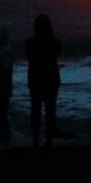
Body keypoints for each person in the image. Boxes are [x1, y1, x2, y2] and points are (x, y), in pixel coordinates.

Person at [25, 14, 61, 148]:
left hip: (35, 80)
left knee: (36, 110)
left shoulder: (30, 42)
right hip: (51, 79)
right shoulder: (55, 42)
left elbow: (29, 58)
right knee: (50, 111)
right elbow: (57, 54)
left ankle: (35, 141)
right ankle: (49, 140)